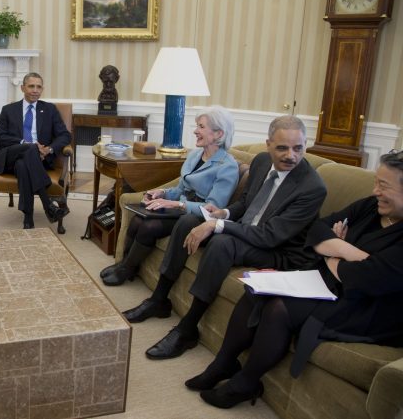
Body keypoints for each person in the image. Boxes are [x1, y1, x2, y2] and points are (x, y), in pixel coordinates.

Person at [187, 151, 403, 409]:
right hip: (328, 281)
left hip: (370, 307)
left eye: (384, 185)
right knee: (257, 289)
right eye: (376, 182)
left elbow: (364, 279)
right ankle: (223, 363)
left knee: (278, 308)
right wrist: (344, 251)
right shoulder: (370, 207)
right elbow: (318, 228)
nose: (375, 190)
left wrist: (330, 253)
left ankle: (246, 383)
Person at [125, 115, 327, 360]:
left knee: (222, 242)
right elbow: (246, 202)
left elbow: (270, 236)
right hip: (246, 229)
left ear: (306, 144)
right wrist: (224, 213)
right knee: (188, 220)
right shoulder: (262, 162)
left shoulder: (312, 187)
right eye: (282, 148)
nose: (291, 156)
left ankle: (188, 328)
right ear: (268, 144)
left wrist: (217, 224)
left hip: (278, 251)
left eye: (299, 148)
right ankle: (159, 299)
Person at [99, 106, 239, 286]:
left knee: (149, 226)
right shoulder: (195, 155)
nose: (195, 131)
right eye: (197, 126)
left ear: (219, 134)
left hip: (194, 218)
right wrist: (162, 192)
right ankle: (124, 265)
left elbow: (213, 209)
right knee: (138, 219)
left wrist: (176, 205)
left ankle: (125, 270)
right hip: (179, 208)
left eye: (201, 127)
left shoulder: (227, 166)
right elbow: (181, 188)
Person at [0, 72, 72, 229]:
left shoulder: (49, 109)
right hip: (11, 156)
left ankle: (28, 218)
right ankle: (47, 204)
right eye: (31, 86)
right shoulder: (8, 110)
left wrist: (49, 149)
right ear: (23, 88)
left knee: (23, 166)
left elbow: (64, 135)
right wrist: (26, 144)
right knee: (30, 148)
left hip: (38, 160)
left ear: (42, 89)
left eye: (39, 87)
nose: (35, 90)